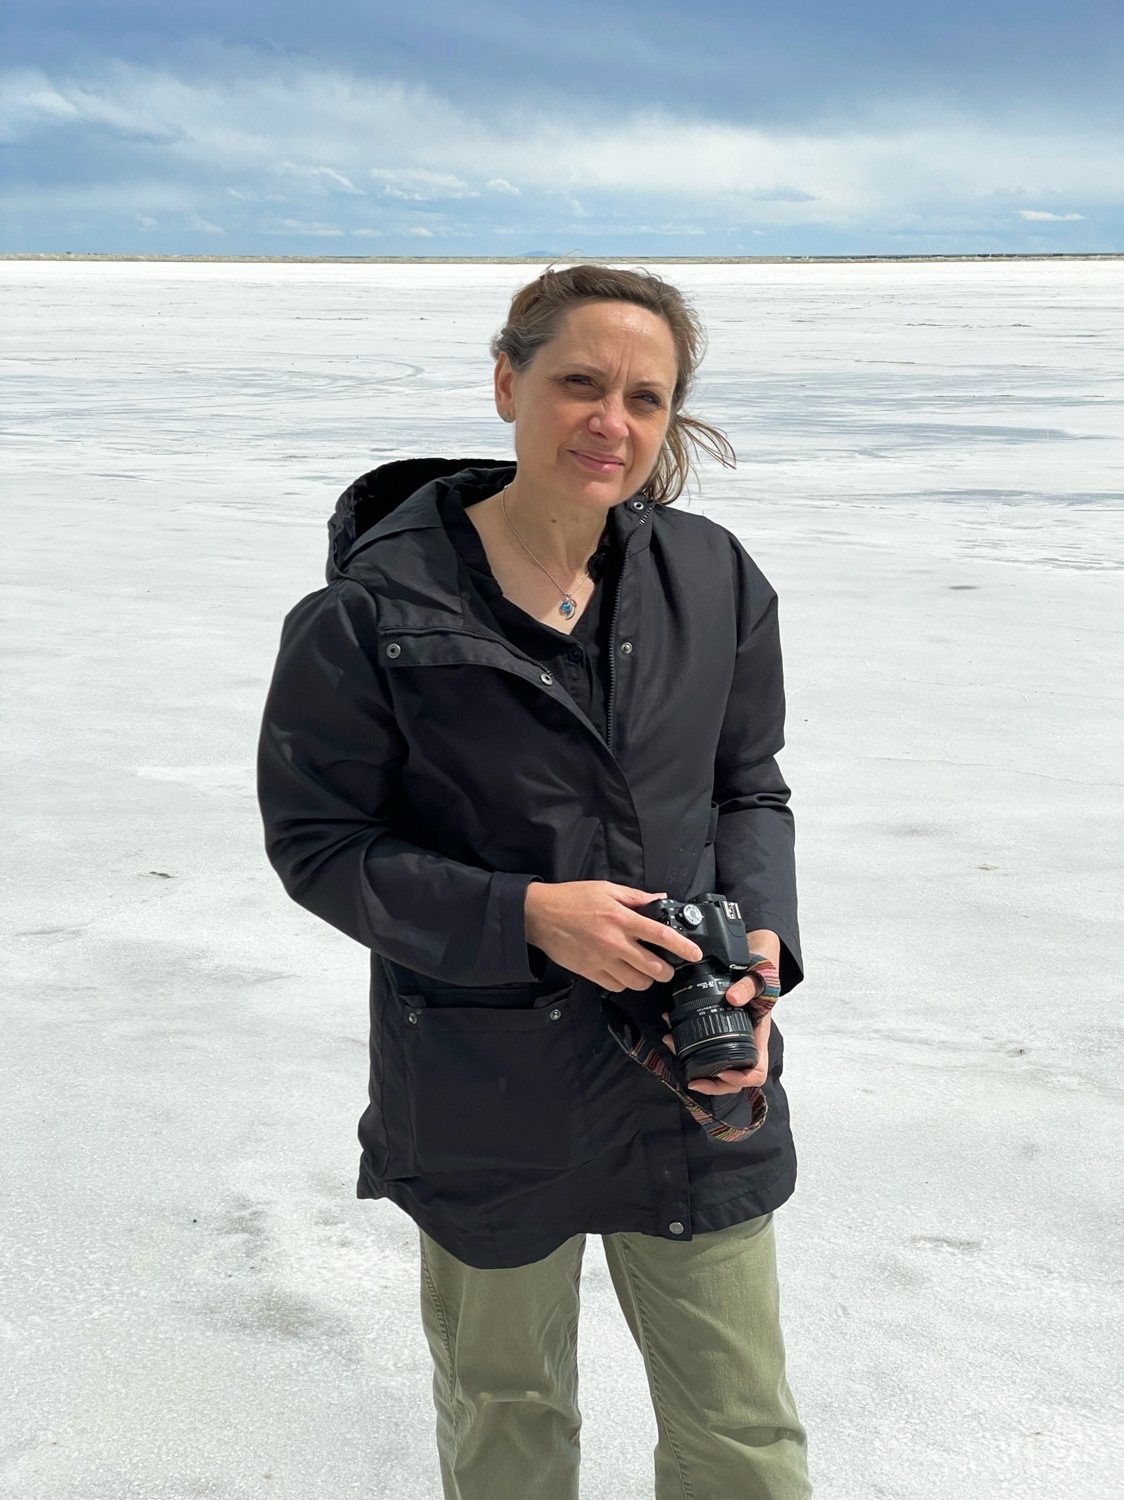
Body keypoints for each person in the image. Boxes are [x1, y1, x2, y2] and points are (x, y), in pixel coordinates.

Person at [257, 263, 811, 1499]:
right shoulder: (372, 614)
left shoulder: (711, 579)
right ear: (507, 383)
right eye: (577, 383)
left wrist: (757, 952)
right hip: (480, 1084)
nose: (609, 421)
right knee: (508, 1419)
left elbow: (745, 785)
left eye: (644, 397)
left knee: (743, 1434)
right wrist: (523, 918)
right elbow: (319, 844)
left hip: (686, 1071)